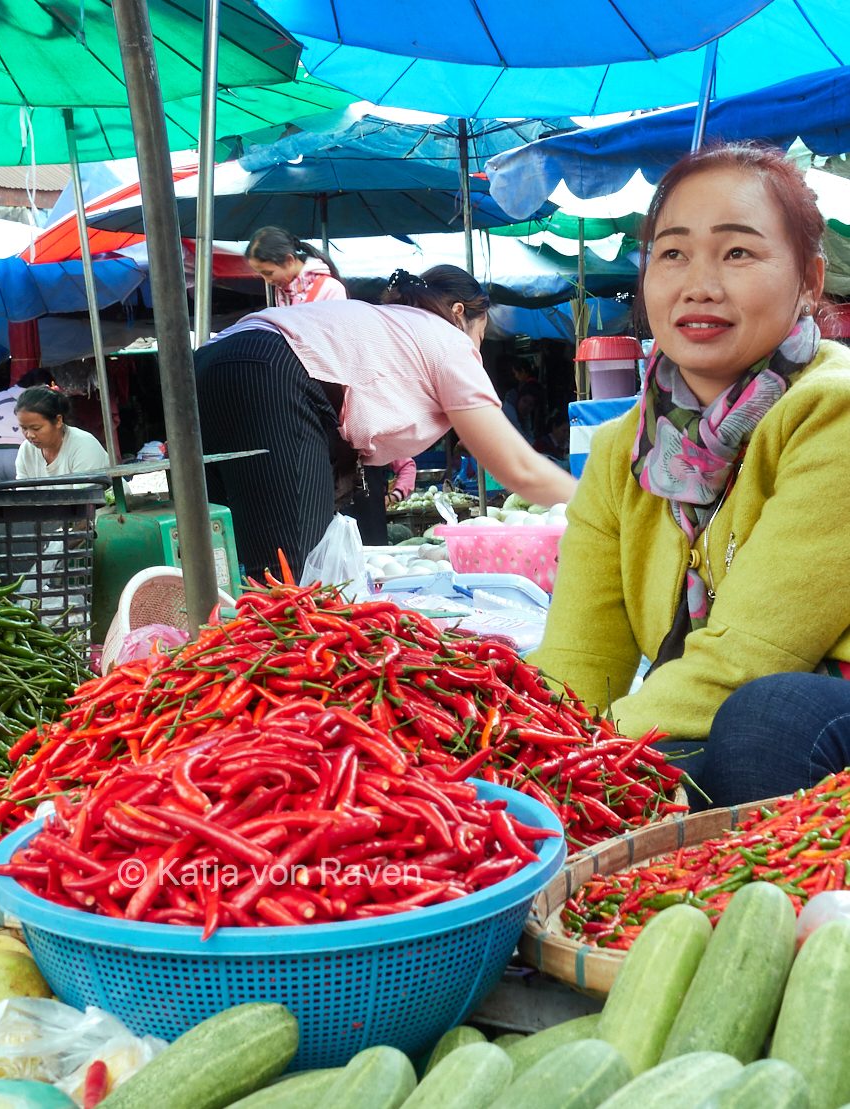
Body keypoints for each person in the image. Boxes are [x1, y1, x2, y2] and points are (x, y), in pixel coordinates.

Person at [528, 141, 850, 806]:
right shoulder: (625, 449)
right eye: (672, 253)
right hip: (726, 707)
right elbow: (576, 663)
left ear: (810, 280)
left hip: (815, 705)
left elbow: (751, 651)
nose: (699, 283)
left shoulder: (833, 407)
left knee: (765, 721)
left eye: (737, 252)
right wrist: (532, 763)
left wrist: (582, 766)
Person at [195, 265, 577, 576]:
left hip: (207, 362)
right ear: (460, 313)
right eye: (482, 333)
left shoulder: (393, 323)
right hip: (272, 372)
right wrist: (597, 503)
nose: (479, 345)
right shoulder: (449, 341)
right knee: (295, 576)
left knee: (227, 559)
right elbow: (519, 469)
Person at [14, 385, 110, 482]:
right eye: (24, 428)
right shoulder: (26, 450)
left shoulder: (84, 446)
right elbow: (23, 494)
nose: (29, 435)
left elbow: (87, 495)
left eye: (36, 428)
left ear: (58, 420)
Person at [244, 226, 347, 307]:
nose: (267, 280)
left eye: (268, 273)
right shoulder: (283, 289)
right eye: (260, 273)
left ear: (289, 260)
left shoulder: (330, 289)